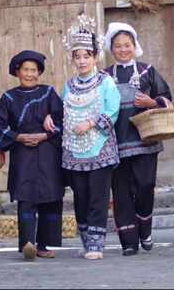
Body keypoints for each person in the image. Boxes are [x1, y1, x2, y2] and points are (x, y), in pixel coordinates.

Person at [103, 22, 172, 256]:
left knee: (145, 186)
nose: (123, 50)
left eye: (127, 45)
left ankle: (145, 229)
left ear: (135, 46)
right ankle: (129, 242)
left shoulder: (147, 70)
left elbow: (166, 97)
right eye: (118, 46)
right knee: (121, 192)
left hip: (145, 141)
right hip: (115, 143)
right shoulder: (103, 75)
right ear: (111, 49)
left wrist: (151, 102)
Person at [55, 14, 120, 260]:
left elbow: (112, 110)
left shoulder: (106, 82)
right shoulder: (68, 86)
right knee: (80, 196)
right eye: (77, 56)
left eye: (86, 56)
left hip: (100, 147)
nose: (82, 61)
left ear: (95, 57)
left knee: (98, 197)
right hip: (74, 150)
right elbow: (61, 110)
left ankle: (96, 245)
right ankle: (85, 240)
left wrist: (91, 123)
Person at [0, 50, 65, 260]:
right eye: (26, 70)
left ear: (39, 72)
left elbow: (62, 119)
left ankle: (43, 245)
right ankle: (27, 244)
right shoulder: (8, 98)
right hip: (22, 153)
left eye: (34, 70)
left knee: (49, 197)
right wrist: (18, 137)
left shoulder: (49, 93)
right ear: (17, 71)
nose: (30, 74)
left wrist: (44, 134)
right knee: (26, 197)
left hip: (48, 152)